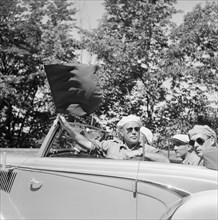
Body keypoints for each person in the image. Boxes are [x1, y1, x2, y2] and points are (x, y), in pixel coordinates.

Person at [58, 114, 169, 162]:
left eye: (136, 129)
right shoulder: (111, 145)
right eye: (129, 130)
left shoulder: (146, 149)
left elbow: (165, 160)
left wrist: (140, 155)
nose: (134, 132)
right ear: (121, 132)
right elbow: (86, 143)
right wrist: (67, 127)